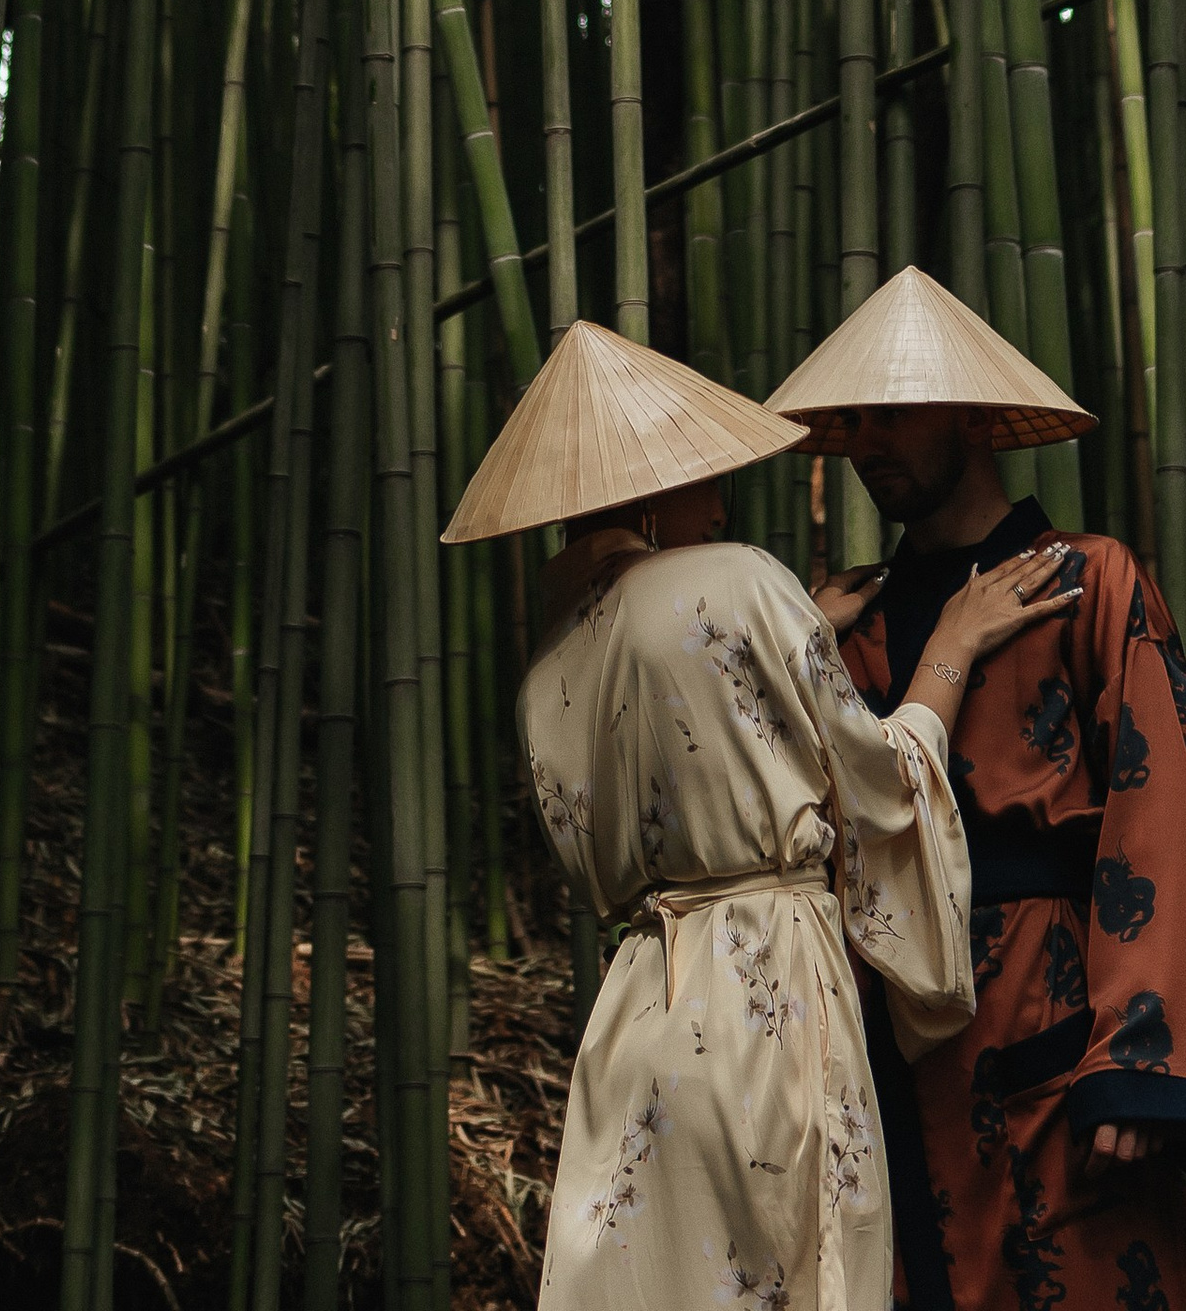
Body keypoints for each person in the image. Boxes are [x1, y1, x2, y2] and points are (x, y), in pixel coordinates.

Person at [445, 313, 1073, 1311]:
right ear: (653, 491)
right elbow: (875, 782)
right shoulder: (738, 580)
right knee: (807, 1273)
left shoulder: (550, 664)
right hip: (765, 994)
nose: (720, 493)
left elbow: (668, 716)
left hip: (642, 1010)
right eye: (701, 474)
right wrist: (949, 646)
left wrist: (790, 639)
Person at [771, 269, 1186, 1311]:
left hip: (1054, 1024)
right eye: (851, 420)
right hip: (894, 1034)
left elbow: (1159, 809)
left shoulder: (1091, 581)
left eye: (890, 415)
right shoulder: (846, 619)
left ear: (969, 414)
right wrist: (799, 651)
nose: (864, 444)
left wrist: (1135, 1051)